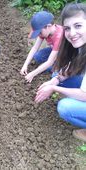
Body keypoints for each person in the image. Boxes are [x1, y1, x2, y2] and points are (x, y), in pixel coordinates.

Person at [35, 3, 86, 142]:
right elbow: (72, 66)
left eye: (78, 26)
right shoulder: (80, 45)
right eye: (68, 28)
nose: (72, 33)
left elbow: (84, 95)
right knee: (56, 76)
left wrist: (53, 88)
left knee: (65, 107)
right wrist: (55, 80)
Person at [20, 11, 63, 83]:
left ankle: (59, 65)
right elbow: (35, 48)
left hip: (66, 55)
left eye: (40, 32)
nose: (39, 34)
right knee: (37, 57)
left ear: (48, 26)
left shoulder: (59, 37)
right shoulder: (45, 32)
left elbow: (49, 62)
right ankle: (53, 62)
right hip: (55, 50)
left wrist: (32, 74)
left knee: (50, 69)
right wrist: (25, 65)